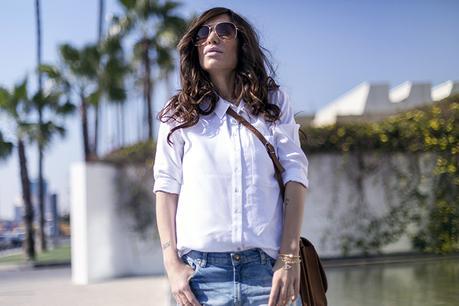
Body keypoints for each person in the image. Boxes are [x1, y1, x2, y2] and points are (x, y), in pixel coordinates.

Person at [153, 7, 309, 306]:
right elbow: (166, 189)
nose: (212, 37)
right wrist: (172, 265)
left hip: (268, 274)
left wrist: (289, 258)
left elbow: (295, 176)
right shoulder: (177, 113)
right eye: (203, 32)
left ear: (242, 43)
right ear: (195, 47)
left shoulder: (273, 102)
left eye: (224, 30)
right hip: (202, 279)